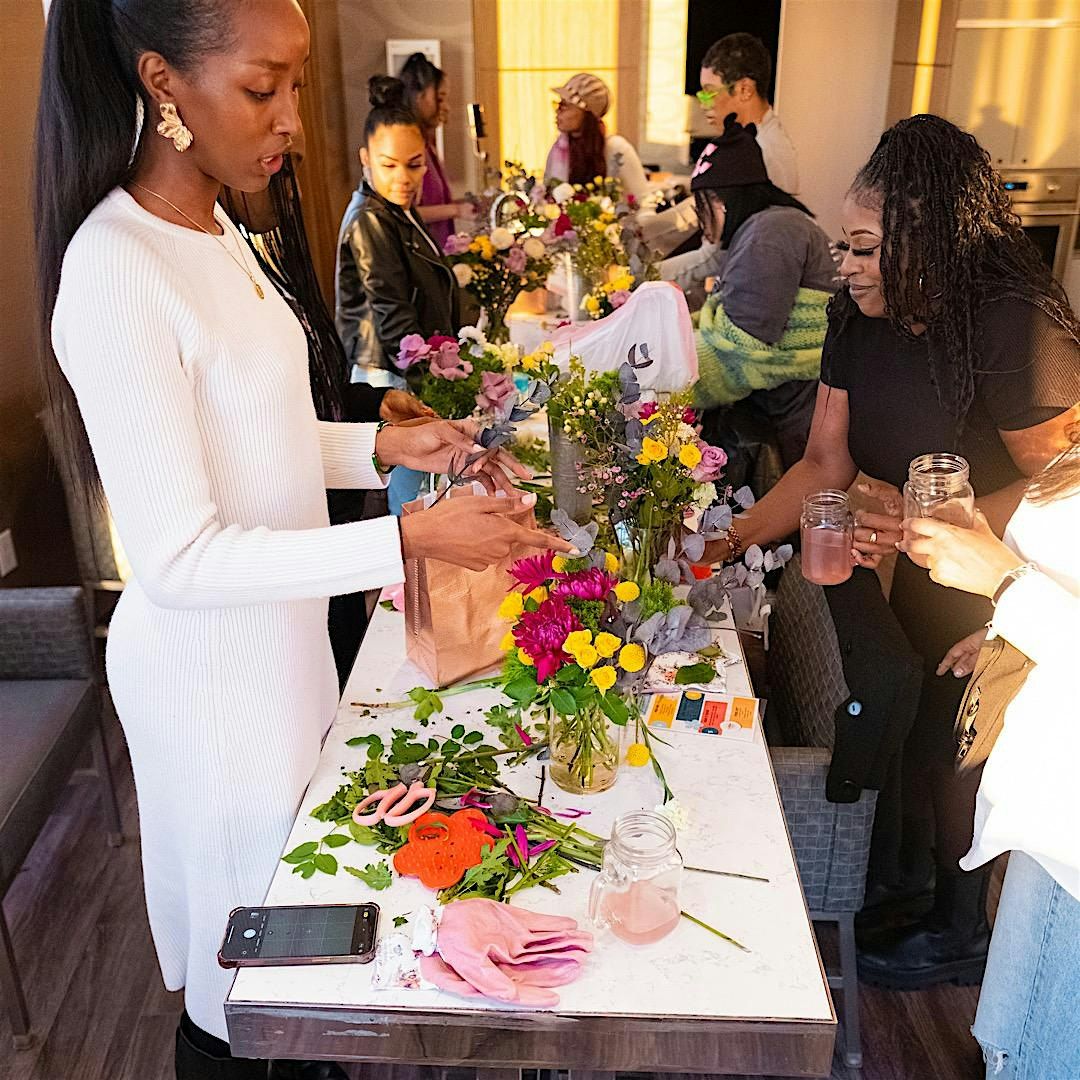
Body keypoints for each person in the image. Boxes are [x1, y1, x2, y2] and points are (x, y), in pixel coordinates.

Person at [34, 5, 570, 1079]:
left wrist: (385, 441)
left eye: (294, 85)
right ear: (164, 83)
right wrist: (410, 540)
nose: (291, 120)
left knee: (300, 941)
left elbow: (257, 431)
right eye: (262, 88)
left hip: (275, 644)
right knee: (248, 986)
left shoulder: (222, 228)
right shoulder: (117, 263)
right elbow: (180, 557)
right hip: (211, 677)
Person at [703, 115, 1080, 990]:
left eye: (865, 246)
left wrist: (951, 534)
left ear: (929, 244)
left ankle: (964, 931)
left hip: (1010, 579)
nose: (846, 263)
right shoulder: (856, 317)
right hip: (920, 560)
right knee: (915, 735)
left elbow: (1066, 479)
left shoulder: (1014, 328)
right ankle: (913, 886)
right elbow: (826, 460)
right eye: (846, 242)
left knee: (961, 750)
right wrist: (726, 540)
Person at [900, 434, 1079, 1079]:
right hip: (1048, 820)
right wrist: (1005, 625)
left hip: (1072, 849)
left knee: (1031, 1060)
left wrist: (1006, 584)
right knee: (1008, 1043)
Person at [222, 146, 433, 691]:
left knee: (347, 670)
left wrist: (376, 416)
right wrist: (403, 538)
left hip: (323, 525)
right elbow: (261, 435)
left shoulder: (252, 256)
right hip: (279, 567)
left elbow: (306, 395)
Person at [336, 75, 465, 513]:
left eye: (415, 164)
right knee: (411, 504)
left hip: (401, 369)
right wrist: (433, 388)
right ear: (365, 159)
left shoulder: (397, 212)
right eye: (389, 165)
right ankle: (410, 582)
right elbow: (391, 313)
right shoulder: (370, 219)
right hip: (387, 373)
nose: (404, 178)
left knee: (420, 494)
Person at [690, 115, 838, 489]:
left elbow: (740, 350)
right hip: (794, 413)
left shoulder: (770, 234)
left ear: (717, 200)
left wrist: (658, 377)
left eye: (700, 207)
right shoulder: (771, 227)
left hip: (801, 422)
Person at [658, 33, 800, 288]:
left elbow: (718, 254)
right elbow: (706, 208)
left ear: (744, 89)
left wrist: (643, 278)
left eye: (709, 93)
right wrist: (651, 228)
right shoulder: (746, 141)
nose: (702, 104)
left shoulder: (763, 152)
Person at [398, 51, 474, 250]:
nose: (446, 107)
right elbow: (404, 211)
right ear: (419, 97)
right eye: (440, 99)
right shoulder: (408, 148)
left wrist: (464, 204)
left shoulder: (427, 143)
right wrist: (456, 210)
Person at [544, 73, 651, 203]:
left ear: (587, 113)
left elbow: (644, 201)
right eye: (558, 104)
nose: (558, 111)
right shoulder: (560, 148)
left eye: (565, 105)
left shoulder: (617, 148)